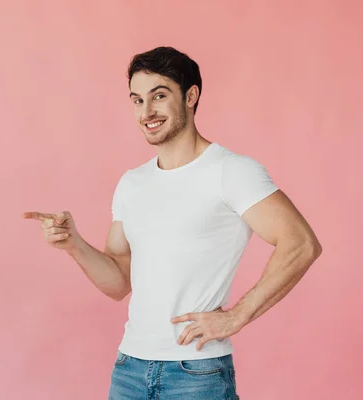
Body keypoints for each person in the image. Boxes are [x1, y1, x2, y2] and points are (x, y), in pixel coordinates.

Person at [22, 46, 322, 400]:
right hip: (129, 369)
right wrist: (74, 243)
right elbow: (119, 281)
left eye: (159, 96)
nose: (146, 112)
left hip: (196, 374)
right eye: (137, 100)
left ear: (191, 96)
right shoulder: (132, 183)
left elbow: (301, 243)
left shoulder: (231, 171)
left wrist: (237, 316)